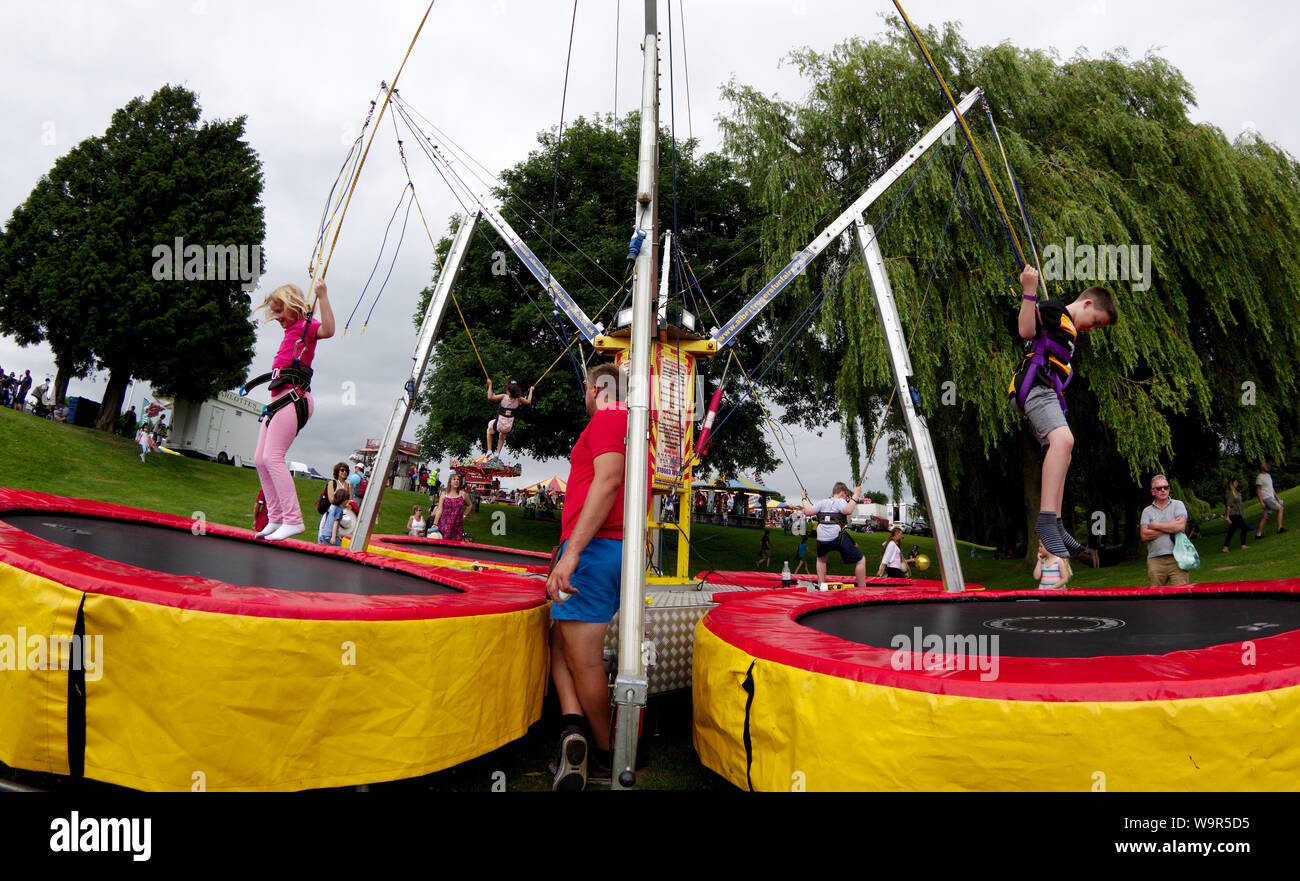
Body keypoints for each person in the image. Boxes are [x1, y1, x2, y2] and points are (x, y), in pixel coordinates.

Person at [546, 362, 629, 791]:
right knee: (560, 640)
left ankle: (606, 754)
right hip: (596, 546)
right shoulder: (626, 424)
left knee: (584, 659)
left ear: (596, 388)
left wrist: (573, 553)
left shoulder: (610, 416)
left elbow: (609, 480)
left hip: (595, 549)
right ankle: (574, 726)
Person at [1008, 265, 1117, 561]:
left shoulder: (1066, 326)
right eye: (1095, 322)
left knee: (1064, 451)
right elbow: (1026, 331)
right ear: (1087, 304)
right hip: (1036, 388)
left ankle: (1055, 521)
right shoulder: (1056, 310)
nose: (1092, 329)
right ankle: (1046, 521)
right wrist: (1029, 291)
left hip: (1047, 393)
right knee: (1064, 441)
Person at [251, 281, 335, 542]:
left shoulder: (306, 327)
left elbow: (330, 331)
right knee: (260, 459)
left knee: (273, 457)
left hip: (294, 398)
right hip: (278, 401)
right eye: (274, 313)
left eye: (279, 312)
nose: (277, 318)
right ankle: (275, 517)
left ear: (291, 307)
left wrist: (322, 296)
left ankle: (293, 519)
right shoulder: (291, 332)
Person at [800, 481, 867, 590]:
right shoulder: (840, 501)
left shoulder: (823, 502)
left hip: (822, 539)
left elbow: (807, 511)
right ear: (843, 493)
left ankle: (821, 585)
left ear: (833, 493)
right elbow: (848, 510)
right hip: (837, 538)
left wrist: (803, 498)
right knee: (861, 560)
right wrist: (856, 494)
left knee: (821, 560)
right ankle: (863, 589)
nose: (847, 499)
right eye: (847, 496)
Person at [1139, 473, 1190, 586]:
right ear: (1153, 491)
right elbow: (1144, 535)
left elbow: (1180, 527)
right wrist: (1171, 526)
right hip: (1155, 560)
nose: (1163, 490)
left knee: (1181, 595)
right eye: (1159, 488)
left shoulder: (1178, 505)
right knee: (1156, 597)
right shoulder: (1147, 511)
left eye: (1165, 487)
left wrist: (1155, 526)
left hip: (1177, 558)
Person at [485, 379, 535, 459]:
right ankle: (497, 453)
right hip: (508, 428)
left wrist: (490, 384)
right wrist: (531, 390)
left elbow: (490, 397)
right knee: (502, 435)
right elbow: (528, 401)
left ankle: (489, 449)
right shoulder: (518, 399)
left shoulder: (503, 396)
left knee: (489, 429)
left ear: (508, 390)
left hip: (498, 425)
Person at [432, 473, 469, 541]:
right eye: (454, 479)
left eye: (458, 479)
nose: (456, 481)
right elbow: (439, 510)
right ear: (450, 481)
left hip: (457, 525)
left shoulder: (463, 494)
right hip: (444, 524)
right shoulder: (444, 494)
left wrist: (464, 515)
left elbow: (470, 505)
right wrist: (435, 523)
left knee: (455, 547)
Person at [1255, 461, 1286, 538]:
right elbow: (1258, 490)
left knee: (1266, 516)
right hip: (1266, 498)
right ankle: (1279, 529)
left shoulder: (1268, 475)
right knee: (1281, 508)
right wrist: (1261, 502)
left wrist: (1277, 497)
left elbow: (1271, 488)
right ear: (1262, 467)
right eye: (1265, 465)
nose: (1267, 466)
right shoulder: (1259, 477)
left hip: (1271, 497)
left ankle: (1258, 534)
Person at [1223, 478, 1250, 553]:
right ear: (1232, 484)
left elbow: (1237, 501)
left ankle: (1225, 547)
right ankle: (1243, 545)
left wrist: (1239, 495)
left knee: (1232, 531)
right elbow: (1228, 505)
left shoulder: (1235, 492)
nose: (1237, 483)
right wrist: (1227, 516)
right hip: (1234, 514)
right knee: (1244, 528)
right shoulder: (1231, 493)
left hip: (1237, 513)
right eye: (1235, 482)